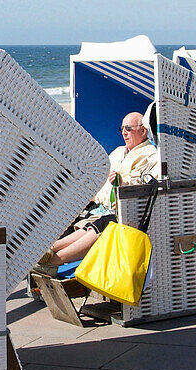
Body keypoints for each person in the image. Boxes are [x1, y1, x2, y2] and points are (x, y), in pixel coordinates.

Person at [36, 110, 160, 271]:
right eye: (121, 129)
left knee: (100, 224)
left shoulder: (150, 155)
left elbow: (143, 187)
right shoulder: (118, 152)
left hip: (122, 211)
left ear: (143, 131)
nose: (124, 132)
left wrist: (122, 183)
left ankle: (52, 259)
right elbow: (99, 179)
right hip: (99, 206)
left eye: (128, 128)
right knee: (74, 217)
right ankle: (49, 250)